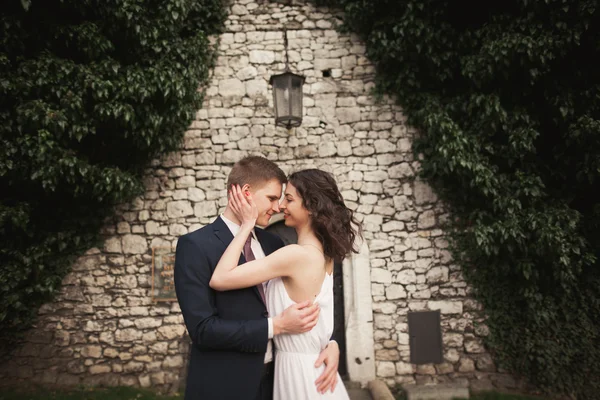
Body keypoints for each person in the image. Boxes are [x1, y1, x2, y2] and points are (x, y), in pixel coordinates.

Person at [174, 157, 341, 400]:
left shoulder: (273, 244)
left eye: (283, 199)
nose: (278, 207)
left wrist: (331, 343)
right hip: (224, 384)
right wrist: (276, 326)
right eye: (272, 198)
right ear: (246, 193)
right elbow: (203, 330)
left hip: (279, 381)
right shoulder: (195, 246)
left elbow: (307, 298)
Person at [210, 168, 362, 400]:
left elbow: (220, 279)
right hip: (313, 367)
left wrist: (247, 225)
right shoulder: (324, 255)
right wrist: (331, 344)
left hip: (301, 375)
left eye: (289, 199)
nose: (280, 206)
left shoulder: (294, 255)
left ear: (311, 206)